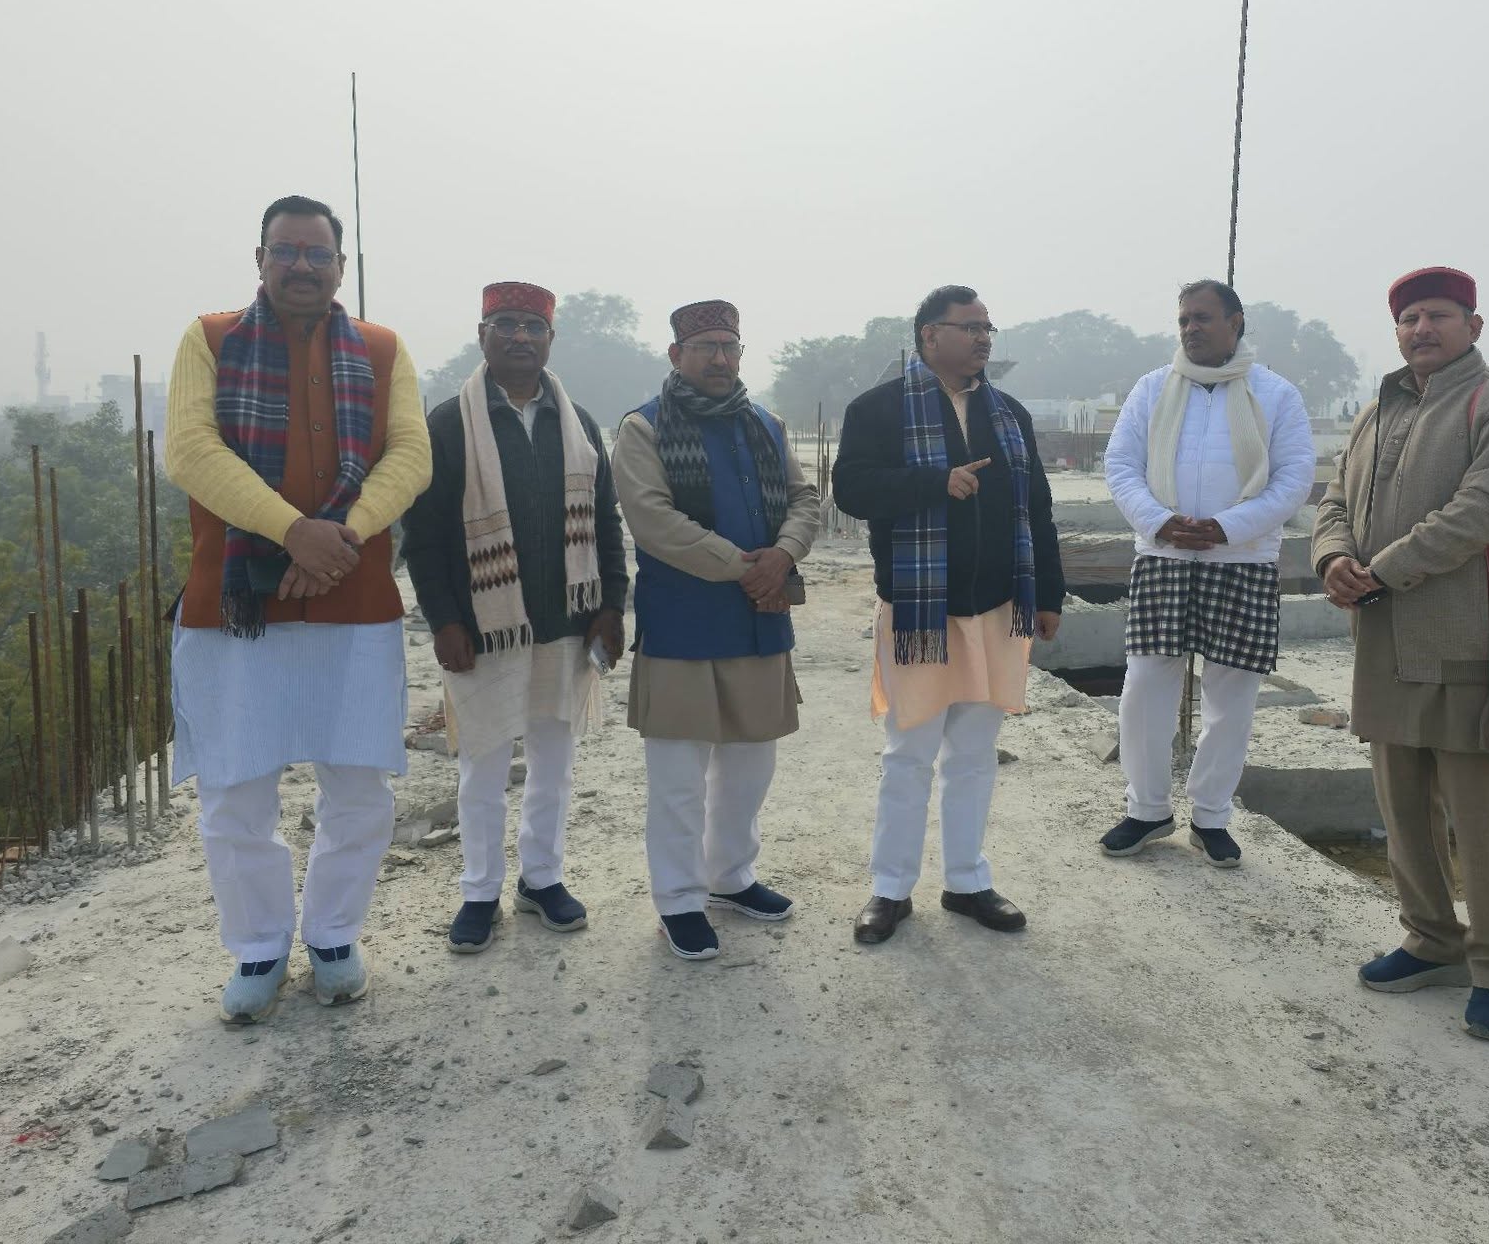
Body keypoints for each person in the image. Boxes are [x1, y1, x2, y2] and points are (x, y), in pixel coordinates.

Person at [165, 195, 431, 1022]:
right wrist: (291, 532)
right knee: (236, 789)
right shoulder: (210, 340)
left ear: (340, 267)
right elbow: (191, 451)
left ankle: (335, 935)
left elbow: (410, 454)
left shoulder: (382, 349)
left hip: (352, 594)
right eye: (286, 251)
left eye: (318, 254)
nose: (303, 266)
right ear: (260, 260)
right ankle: (257, 947)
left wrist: (339, 537)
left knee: (359, 785)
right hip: (238, 602)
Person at [1311, 267, 1489, 1043]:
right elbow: (1333, 499)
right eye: (1410, 318)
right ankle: (1430, 939)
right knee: (1403, 808)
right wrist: (1332, 558)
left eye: (1439, 315)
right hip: (1382, 641)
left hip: (1467, 641)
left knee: (1483, 818)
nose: (1422, 329)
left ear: (1472, 327)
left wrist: (1381, 569)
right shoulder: (1375, 411)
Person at [833, 286, 1064, 945]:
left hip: (998, 607)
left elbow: (1037, 508)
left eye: (989, 327)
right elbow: (850, 489)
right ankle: (890, 888)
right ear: (930, 335)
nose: (984, 338)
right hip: (919, 610)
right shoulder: (879, 408)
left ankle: (966, 880)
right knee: (909, 753)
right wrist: (933, 483)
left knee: (974, 753)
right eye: (970, 327)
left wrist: (1049, 594)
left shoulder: (1009, 413)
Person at [400, 283, 628, 953]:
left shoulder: (578, 423)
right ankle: (479, 891)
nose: (520, 336)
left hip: (567, 621)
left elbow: (605, 522)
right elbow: (424, 537)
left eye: (533, 325)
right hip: (483, 629)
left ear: (551, 339)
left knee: (553, 765)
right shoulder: (450, 423)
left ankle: (542, 880)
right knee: (483, 768)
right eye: (505, 323)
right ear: (483, 335)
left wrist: (612, 604)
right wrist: (444, 619)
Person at [609, 299, 821, 961]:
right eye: (706, 347)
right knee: (678, 775)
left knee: (751, 765)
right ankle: (679, 899)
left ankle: (730, 876)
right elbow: (652, 520)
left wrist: (784, 554)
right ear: (677, 355)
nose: (720, 358)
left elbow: (804, 498)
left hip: (760, 618)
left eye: (730, 346)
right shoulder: (643, 428)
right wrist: (746, 568)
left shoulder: (766, 424)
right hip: (684, 622)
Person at [1098, 279, 1314, 866]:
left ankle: (1212, 816)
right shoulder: (1152, 388)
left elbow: (1294, 478)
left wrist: (1227, 527)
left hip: (1241, 560)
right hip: (1164, 556)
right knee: (1144, 689)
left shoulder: (1275, 394)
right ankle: (1146, 809)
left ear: (1235, 322)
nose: (1191, 329)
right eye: (1184, 320)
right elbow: (1120, 465)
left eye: (1203, 318)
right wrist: (1159, 521)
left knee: (1231, 697)